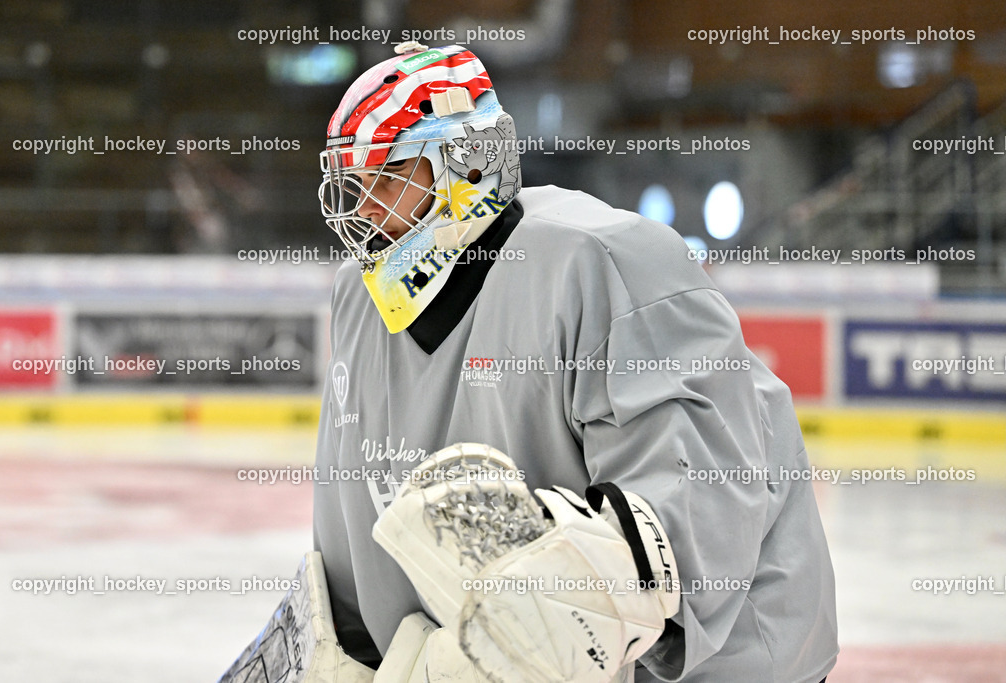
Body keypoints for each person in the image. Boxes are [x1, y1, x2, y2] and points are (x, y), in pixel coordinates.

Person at [314, 42, 838, 682]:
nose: (364, 208)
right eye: (352, 183)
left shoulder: (610, 262)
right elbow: (355, 524)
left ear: (465, 161)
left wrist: (521, 638)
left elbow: (687, 520)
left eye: (387, 176)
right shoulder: (357, 298)